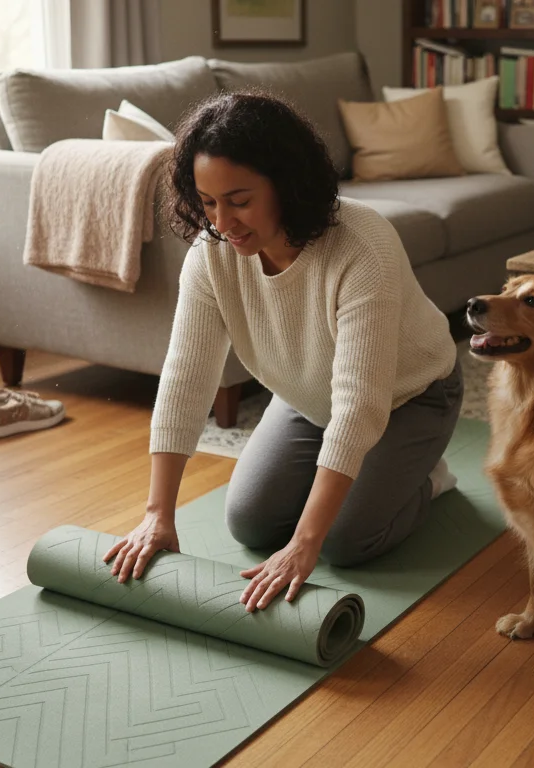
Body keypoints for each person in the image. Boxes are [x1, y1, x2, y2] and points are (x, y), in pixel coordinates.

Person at [103, 90, 463, 613]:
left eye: (240, 199)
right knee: (249, 521)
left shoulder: (363, 247)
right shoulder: (212, 254)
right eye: (208, 202)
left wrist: (305, 543)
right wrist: (158, 513)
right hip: (306, 395)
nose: (222, 222)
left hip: (408, 397)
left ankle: (429, 477)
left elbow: (360, 407)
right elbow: (185, 378)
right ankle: (358, 483)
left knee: (344, 541)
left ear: (287, 184)